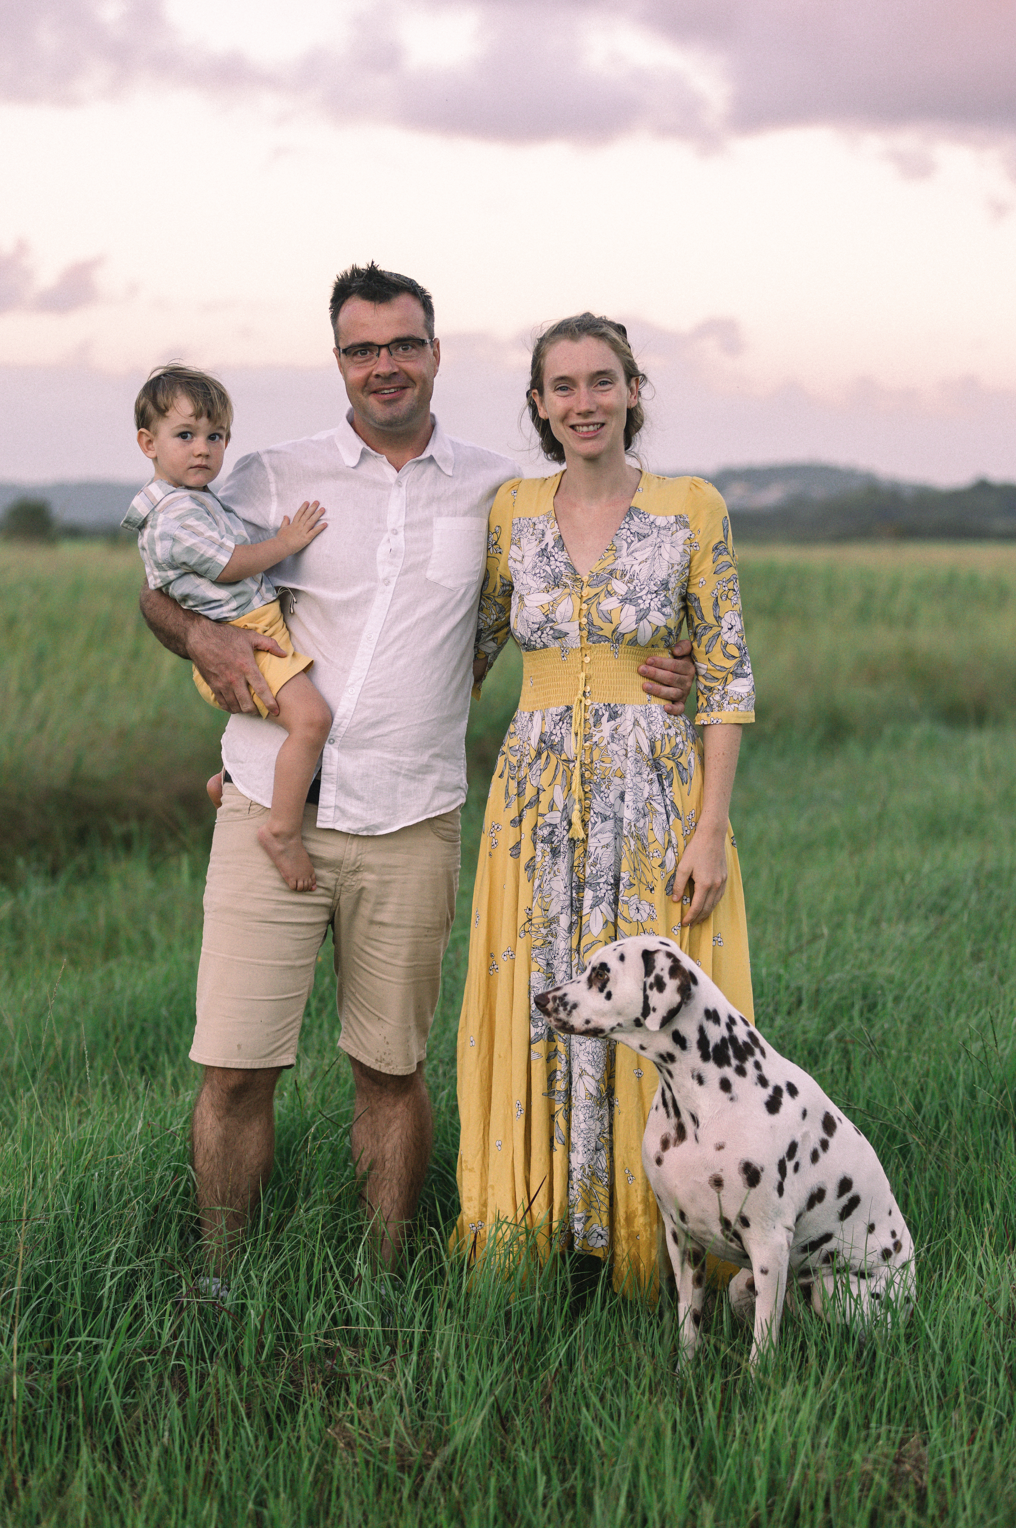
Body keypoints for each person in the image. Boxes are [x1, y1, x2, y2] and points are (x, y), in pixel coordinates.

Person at [139, 266, 697, 1276]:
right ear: (339, 361)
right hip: (272, 803)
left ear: (434, 352)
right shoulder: (267, 474)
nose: (383, 366)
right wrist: (198, 639)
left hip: (411, 818)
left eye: (402, 345)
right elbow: (162, 582)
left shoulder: (497, 489)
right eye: (362, 349)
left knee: (391, 1068)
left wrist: (666, 657)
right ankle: (220, 1283)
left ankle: (380, 1280)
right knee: (232, 1069)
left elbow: (571, 590)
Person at [453, 312, 756, 1295]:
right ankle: (540, 1234)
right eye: (562, 386)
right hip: (533, 804)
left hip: (652, 800)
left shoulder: (690, 506)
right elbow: (462, 656)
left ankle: (643, 1241)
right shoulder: (509, 513)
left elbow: (722, 673)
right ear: (537, 404)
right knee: (538, 991)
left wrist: (709, 829)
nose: (582, 402)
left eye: (600, 381)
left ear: (632, 389)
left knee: (651, 1014)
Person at [125, 365, 332, 892]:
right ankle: (282, 831)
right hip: (243, 636)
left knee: (285, 721)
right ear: (149, 443)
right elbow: (229, 563)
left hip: (254, 625)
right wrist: (287, 543)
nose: (202, 449)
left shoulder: (196, 501)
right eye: (185, 436)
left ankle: (227, 783)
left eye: (214, 437)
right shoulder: (174, 517)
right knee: (310, 722)